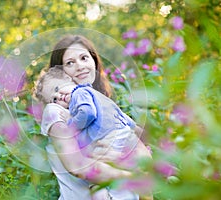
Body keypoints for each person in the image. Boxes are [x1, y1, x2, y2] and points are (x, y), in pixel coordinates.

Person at [34, 34, 149, 199]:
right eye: (70, 63)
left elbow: (142, 149)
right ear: (60, 72)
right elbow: (79, 167)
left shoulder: (103, 106)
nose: (80, 66)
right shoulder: (55, 112)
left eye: (84, 58)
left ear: (94, 61)